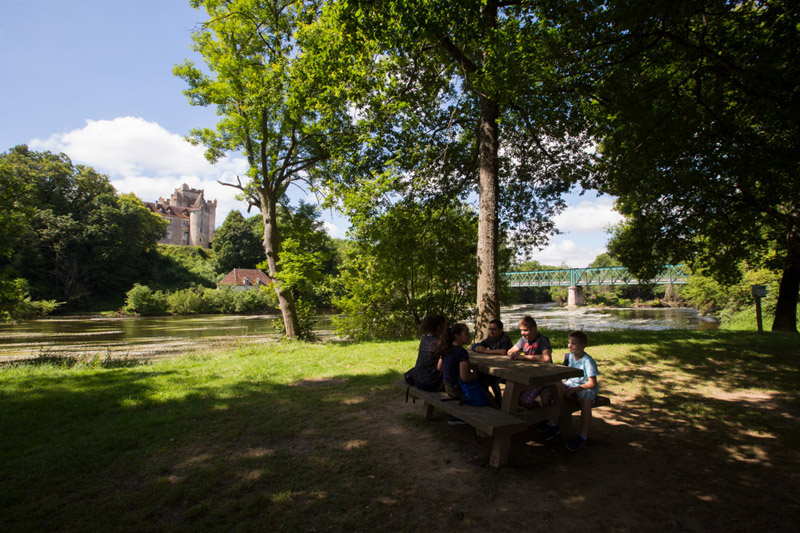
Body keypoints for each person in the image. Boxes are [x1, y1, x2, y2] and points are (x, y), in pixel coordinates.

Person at [436, 323, 497, 414]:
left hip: (448, 387)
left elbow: (439, 368)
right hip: (457, 390)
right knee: (489, 395)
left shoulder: (446, 347)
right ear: (457, 336)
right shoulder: (461, 352)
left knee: (483, 386)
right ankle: (498, 414)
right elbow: (465, 377)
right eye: (466, 333)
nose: (469, 336)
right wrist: (476, 376)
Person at [562, 330, 599, 452]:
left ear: (582, 346)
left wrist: (575, 389)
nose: (569, 346)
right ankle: (554, 424)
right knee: (552, 389)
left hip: (585, 386)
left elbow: (592, 383)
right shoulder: (569, 357)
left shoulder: (588, 361)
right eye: (569, 342)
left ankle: (583, 436)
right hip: (570, 384)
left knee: (585, 401)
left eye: (573, 343)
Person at [469, 319, 513, 404]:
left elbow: (503, 351)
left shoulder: (505, 339)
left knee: (492, 380)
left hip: (506, 369)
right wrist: (477, 348)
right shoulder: (490, 338)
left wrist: (485, 351)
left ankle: (498, 402)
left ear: (500, 330)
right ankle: (489, 400)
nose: (491, 331)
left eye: (494, 329)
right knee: (479, 376)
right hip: (495, 367)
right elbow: (476, 345)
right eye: (490, 329)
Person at [408, 314, 447, 391]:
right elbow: (441, 368)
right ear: (439, 327)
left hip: (417, 379)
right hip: (430, 383)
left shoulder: (425, 338)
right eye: (445, 325)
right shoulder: (440, 343)